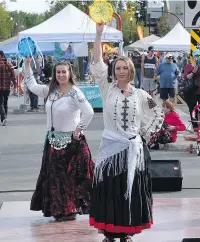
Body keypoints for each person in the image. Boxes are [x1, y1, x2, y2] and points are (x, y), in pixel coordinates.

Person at [89, 23, 164, 242]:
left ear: (131, 71)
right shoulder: (107, 88)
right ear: (114, 71)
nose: (121, 71)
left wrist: (143, 135)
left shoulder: (140, 95)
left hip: (132, 150)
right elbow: (97, 63)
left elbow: (157, 113)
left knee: (129, 191)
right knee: (110, 191)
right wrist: (99, 34)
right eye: (118, 68)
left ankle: (127, 233)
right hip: (111, 149)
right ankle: (110, 233)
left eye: (125, 68)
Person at [25, 58, 95, 221]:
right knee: (55, 178)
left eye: (64, 72)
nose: (61, 75)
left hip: (71, 143)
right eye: (58, 72)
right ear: (54, 74)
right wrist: (27, 65)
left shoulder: (75, 92)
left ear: (70, 73)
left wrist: (79, 129)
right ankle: (59, 209)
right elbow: (32, 86)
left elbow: (89, 112)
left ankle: (69, 210)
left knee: (68, 179)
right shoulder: (52, 91)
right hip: (52, 141)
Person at [183, 52, 200, 128]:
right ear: (193, 57)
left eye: (199, 56)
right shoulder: (189, 66)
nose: (197, 57)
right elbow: (186, 77)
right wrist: (193, 71)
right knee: (192, 109)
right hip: (192, 91)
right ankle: (195, 126)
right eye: (196, 56)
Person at [0, 51, 16, 126]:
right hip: (7, 87)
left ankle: (3, 118)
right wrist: (15, 86)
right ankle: (5, 117)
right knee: (5, 103)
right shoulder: (9, 64)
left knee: (0, 103)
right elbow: (13, 76)